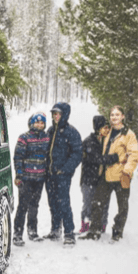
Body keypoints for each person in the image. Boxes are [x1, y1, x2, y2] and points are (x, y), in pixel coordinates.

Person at [81, 105, 138, 242]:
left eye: (117, 115)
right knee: (97, 203)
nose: (114, 117)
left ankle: (117, 232)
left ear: (122, 117)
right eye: (112, 115)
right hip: (106, 175)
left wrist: (127, 171)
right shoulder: (108, 132)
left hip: (121, 175)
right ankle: (94, 231)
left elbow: (134, 155)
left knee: (122, 206)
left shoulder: (128, 134)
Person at [44, 102, 82, 246]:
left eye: (59, 113)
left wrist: (65, 170)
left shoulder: (71, 132)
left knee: (63, 203)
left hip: (63, 175)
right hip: (50, 174)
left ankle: (69, 233)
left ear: (65, 114)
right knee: (52, 202)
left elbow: (77, 154)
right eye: (54, 113)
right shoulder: (50, 131)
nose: (56, 116)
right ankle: (55, 229)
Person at [12, 112, 50, 246]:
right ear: (32, 123)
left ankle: (32, 231)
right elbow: (18, 157)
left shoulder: (46, 137)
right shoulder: (24, 137)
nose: (39, 125)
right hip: (26, 178)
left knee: (34, 205)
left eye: (42, 123)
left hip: (39, 178)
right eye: (37, 122)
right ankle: (17, 234)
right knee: (23, 206)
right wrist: (19, 175)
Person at [79, 116, 119, 233]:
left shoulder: (108, 142)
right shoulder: (89, 141)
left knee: (103, 203)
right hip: (89, 179)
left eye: (108, 127)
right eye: (104, 127)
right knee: (88, 203)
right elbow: (97, 159)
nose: (107, 130)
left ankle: (102, 225)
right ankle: (85, 225)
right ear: (98, 128)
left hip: (102, 179)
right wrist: (114, 157)